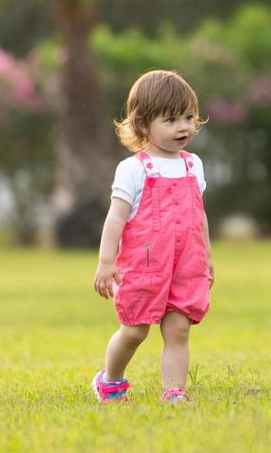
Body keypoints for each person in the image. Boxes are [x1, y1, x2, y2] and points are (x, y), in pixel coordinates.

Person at [91, 70, 215, 403]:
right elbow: (116, 217)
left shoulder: (193, 165)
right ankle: (110, 381)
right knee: (135, 330)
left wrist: (207, 258)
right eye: (171, 120)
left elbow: (197, 215)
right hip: (146, 263)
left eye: (188, 117)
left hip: (186, 263)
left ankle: (174, 392)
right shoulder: (134, 169)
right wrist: (105, 262)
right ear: (143, 124)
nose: (184, 127)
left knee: (179, 328)